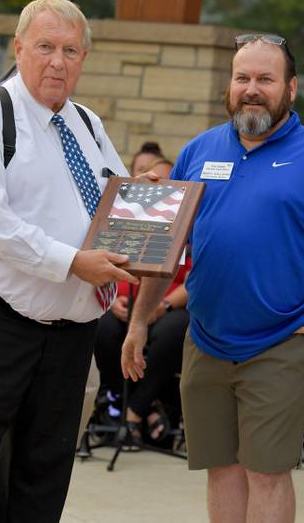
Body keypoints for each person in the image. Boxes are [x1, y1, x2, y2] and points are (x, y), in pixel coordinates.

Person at [122, 33, 304, 523]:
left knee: (266, 472)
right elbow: (166, 248)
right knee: (221, 468)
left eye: (265, 78)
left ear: (291, 88)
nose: (251, 88)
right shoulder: (198, 152)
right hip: (205, 338)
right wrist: (140, 322)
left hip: (283, 341)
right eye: (242, 77)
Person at [0, 0, 136, 523]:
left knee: (40, 483)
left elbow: (114, 203)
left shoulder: (87, 123)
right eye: (45, 47)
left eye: (70, 50)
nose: (58, 61)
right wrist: (71, 263)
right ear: (18, 49)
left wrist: (143, 200)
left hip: (68, 334)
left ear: (84, 58)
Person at [93, 156, 190, 448]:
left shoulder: (185, 219)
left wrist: (162, 306)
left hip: (170, 306)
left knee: (171, 333)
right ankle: (141, 407)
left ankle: (133, 413)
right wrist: (113, 303)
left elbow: (193, 279)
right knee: (102, 328)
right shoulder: (125, 215)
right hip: (123, 302)